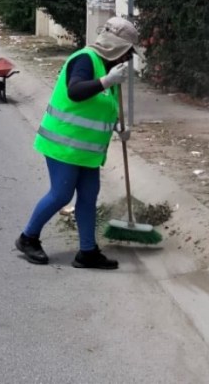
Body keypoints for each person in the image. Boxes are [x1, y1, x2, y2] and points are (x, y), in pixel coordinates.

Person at [15, 16, 140, 270]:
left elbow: (101, 108)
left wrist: (118, 126)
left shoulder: (108, 70)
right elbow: (76, 91)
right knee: (61, 194)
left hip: (85, 151)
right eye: (127, 53)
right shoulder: (85, 60)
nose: (128, 59)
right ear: (115, 47)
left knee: (88, 196)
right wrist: (107, 81)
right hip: (63, 145)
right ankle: (27, 238)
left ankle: (87, 252)